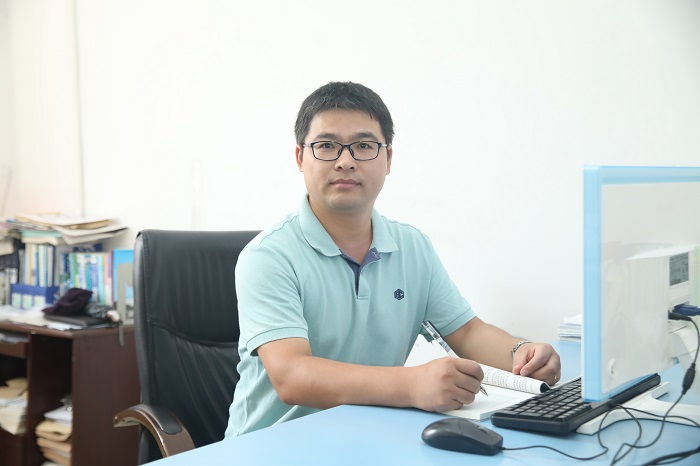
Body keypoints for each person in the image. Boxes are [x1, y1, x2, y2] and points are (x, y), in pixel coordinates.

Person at [225, 81, 560, 437]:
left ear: (388, 159)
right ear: (299, 158)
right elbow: (292, 376)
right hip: (270, 447)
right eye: (326, 146)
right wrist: (411, 384)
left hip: (367, 437)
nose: (345, 161)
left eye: (364, 146)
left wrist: (521, 353)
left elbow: (466, 331)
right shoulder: (269, 256)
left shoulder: (412, 246)